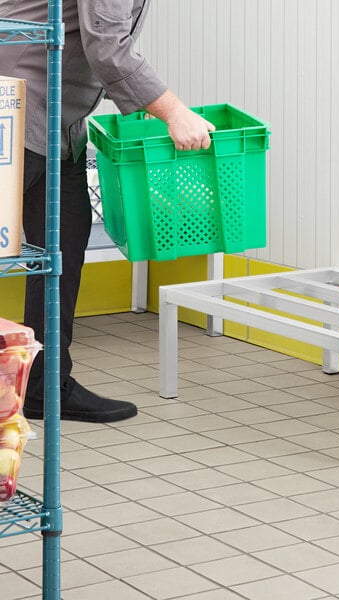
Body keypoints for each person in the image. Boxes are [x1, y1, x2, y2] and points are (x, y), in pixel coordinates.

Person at [0, 0, 215, 422]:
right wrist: (174, 112)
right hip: (15, 110)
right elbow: (107, 45)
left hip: (58, 120)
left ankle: (45, 384)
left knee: (61, 250)